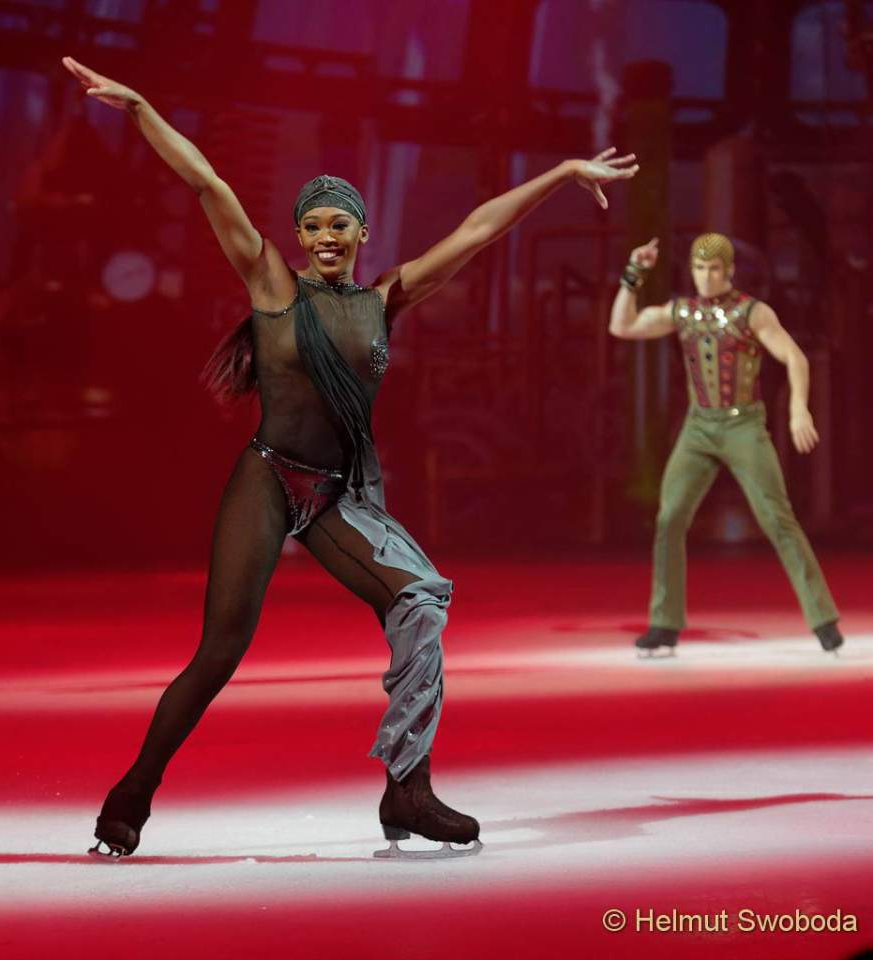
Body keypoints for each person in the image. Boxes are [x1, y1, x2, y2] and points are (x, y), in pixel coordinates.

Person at [61, 55, 639, 859]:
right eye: (314, 226)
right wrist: (139, 109)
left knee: (420, 602)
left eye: (341, 224)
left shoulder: (385, 299)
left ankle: (407, 787)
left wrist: (562, 173)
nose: (327, 236)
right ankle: (133, 792)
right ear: (299, 237)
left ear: (363, 234)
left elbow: (479, 230)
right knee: (221, 649)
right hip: (268, 477)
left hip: (339, 495)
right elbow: (206, 185)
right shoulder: (272, 284)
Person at [609, 232, 843, 656]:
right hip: (698, 427)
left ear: (730, 270)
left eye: (714, 269)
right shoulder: (683, 311)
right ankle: (664, 624)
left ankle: (823, 619)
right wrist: (633, 274)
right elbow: (621, 326)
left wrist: (798, 410)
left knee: (777, 518)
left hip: (743, 426)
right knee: (670, 518)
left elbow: (795, 357)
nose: (706, 277)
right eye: (699, 268)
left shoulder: (752, 312)